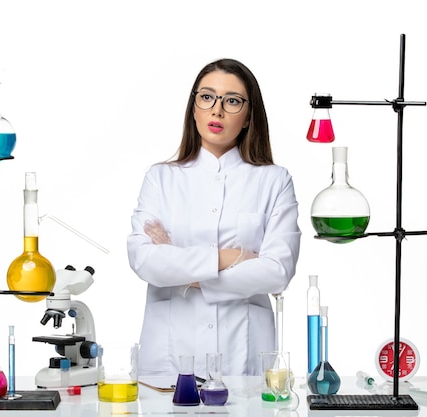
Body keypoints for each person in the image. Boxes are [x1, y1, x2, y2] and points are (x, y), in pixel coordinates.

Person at [127, 58, 301, 377]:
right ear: (194, 108)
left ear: (249, 117)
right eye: (207, 97)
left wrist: (183, 269)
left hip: (244, 360)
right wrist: (231, 257)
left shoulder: (274, 181)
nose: (217, 110)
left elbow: (277, 272)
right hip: (168, 360)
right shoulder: (161, 179)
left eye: (232, 101)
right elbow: (144, 260)